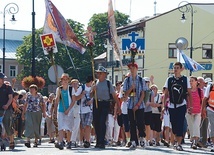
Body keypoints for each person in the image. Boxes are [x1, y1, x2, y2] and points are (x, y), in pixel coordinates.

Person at [163, 62, 192, 151]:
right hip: (172, 105)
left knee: (180, 124)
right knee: (174, 125)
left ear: (181, 69)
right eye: (174, 68)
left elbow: (189, 93)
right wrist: (164, 106)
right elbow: (166, 94)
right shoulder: (169, 79)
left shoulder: (185, 79)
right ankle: (176, 140)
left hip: (182, 105)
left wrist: (190, 106)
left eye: (177, 68)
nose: (175, 69)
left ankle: (179, 144)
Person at [90, 66, 121, 149]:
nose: (98, 74)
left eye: (100, 73)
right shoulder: (95, 82)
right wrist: (93, 90)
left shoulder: (108, 83)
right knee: (96, 122)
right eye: (98, 73)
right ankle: (98, 141)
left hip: (105, 103)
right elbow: (90, 95)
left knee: (102, 121)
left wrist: (118, 106)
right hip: (96, 103)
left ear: (104, 74)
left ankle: (102, 141)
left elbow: (114, 95)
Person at [123, 63, 147, 149]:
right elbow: (125, 94)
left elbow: (143, 93)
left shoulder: (141, 80)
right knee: (132, 123)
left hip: (139, 105)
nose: (131, 70)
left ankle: (142, 137)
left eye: (133, 68)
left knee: (140, 122)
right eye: (130, 68)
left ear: (136, 69)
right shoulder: (127, 80)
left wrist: (138, 104)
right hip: (130, 105)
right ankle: (133, 140)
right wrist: (131, 88)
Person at [54, 73, 75, 150]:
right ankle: (61, 141)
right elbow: (56, 100)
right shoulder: (59, 89)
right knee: (61, 127)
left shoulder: (71, 89)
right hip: (61, 110)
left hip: (69, 110)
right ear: (61, 81)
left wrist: (68, 110)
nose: (65, 81)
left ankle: (69, 141)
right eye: (63, 80)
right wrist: (55, 110)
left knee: (68, 127)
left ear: (68, 80)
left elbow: (73, 101)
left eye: (66, 79)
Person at [76, 75, 93, 148]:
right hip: (82, 110)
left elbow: (96, 97)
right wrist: (82, 94)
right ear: (91, 81)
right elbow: (76, 97)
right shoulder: (82, 88)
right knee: (82, 127)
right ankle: (81, 140)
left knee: (88, 125)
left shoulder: (94, 88)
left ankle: (87, 141)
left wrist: (91, 101)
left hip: (90, 110)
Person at [186, 76, 203, 149]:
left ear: (196, 82)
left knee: (196, 126)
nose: (191, 82)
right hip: (189, 111)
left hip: (198, 111)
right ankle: (193, 140)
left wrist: (203, 110)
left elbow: (202, 101)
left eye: (192, 80)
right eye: (190, 81)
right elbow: (185, 101)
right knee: (191, 127)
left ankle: (195, 142)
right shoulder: (187, 91)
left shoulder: (200, 91)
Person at [0, 73, 14, 150]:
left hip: (6, 109)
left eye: (3, 78)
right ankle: (1, 142)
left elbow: (10, 98)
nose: (3, 80)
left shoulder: (7, 87)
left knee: (7, 125)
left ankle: (11, 141)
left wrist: (7, 105)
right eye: (1, 78)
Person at [201, 78, 214, 152]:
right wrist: (203, 110)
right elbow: (205, 99)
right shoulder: (210, 87)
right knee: (212, 127)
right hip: (211, 109)